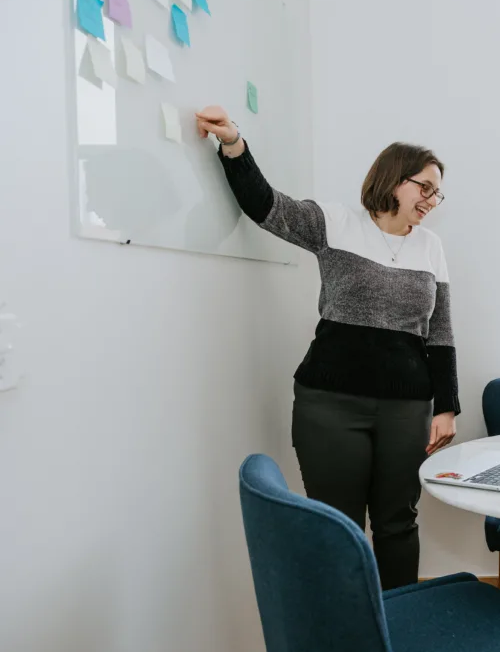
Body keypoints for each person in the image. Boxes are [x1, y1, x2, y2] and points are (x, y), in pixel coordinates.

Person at [195, 106, 459, 590]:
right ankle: (342, 631)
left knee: (398, 523)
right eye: (425, 187)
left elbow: (440, 332)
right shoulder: (336, 223)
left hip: (407, 407)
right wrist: (234, 144)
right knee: (337, 526)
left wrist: (447, 406)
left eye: (437, 192)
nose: (432, 200)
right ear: (394, 179)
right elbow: (265, 205)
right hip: (330, 405)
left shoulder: (431, 247)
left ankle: (396, 627)